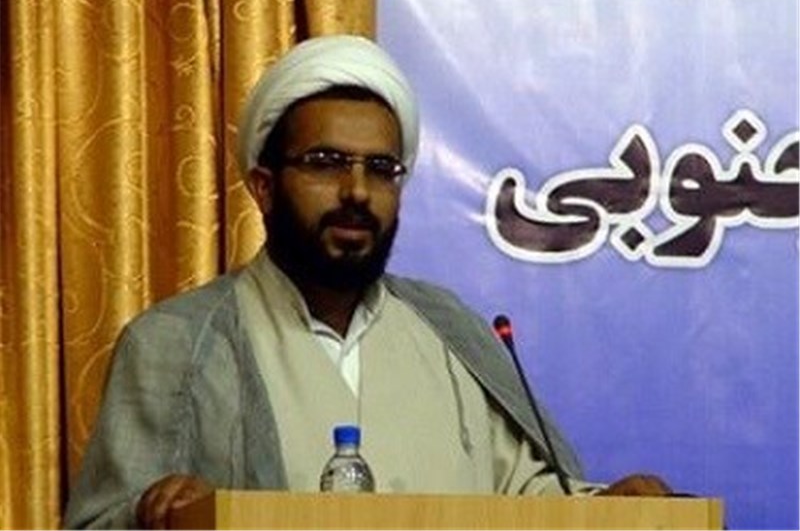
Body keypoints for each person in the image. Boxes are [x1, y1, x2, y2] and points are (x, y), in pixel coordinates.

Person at [64, 35, 672, 530]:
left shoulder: (448, 331)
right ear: (264, 187)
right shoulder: (175, 343)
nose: (357, 191)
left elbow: (530, 499)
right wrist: (163, 512)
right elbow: (102, 522)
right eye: (325, 163)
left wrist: (609, 506)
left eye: (381, 169)